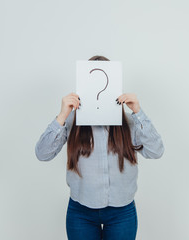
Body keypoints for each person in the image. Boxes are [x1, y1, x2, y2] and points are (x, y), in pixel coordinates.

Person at [34, 55, 165, 240]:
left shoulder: (130, 122)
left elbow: (156, 151)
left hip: (122, 211)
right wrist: (62, 115)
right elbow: (42, 154)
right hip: (81, 211)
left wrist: (138, 111)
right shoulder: (72, 121)